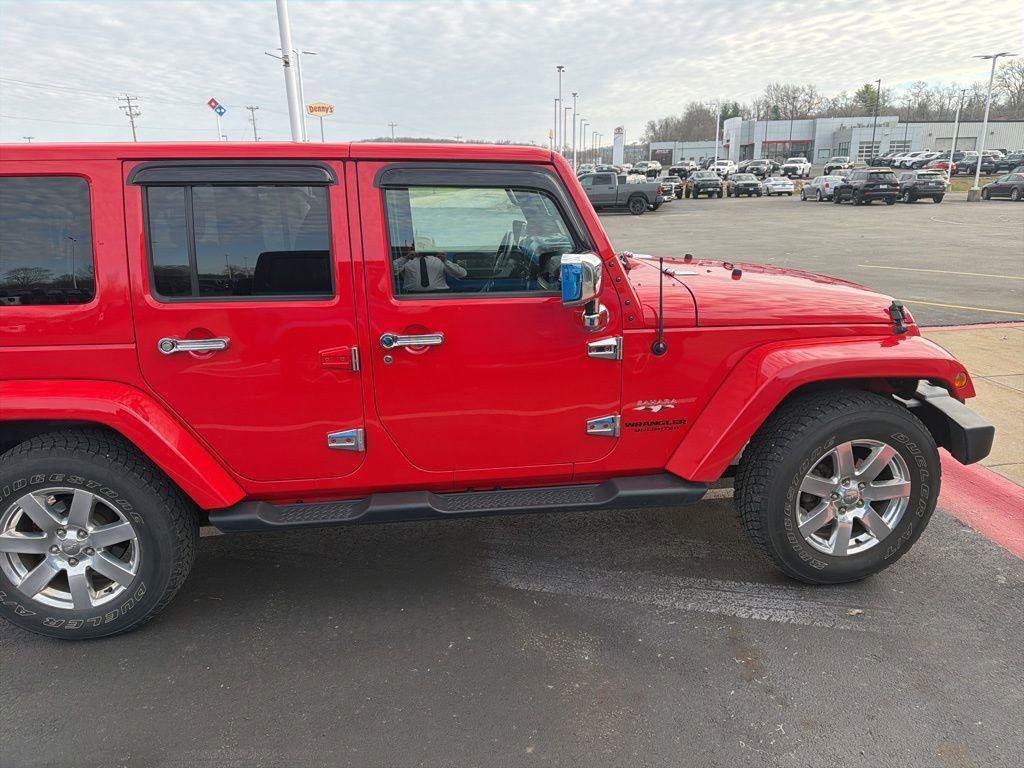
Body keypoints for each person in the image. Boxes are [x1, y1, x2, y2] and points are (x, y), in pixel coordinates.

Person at [393, 249, 467, 293]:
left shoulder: (440, 260)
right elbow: (390, 272)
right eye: (420, 245)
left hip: (439, 295)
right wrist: (406, 258)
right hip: (412, 296)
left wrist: (445, 261)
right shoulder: (407, 260)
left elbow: (462, 274)